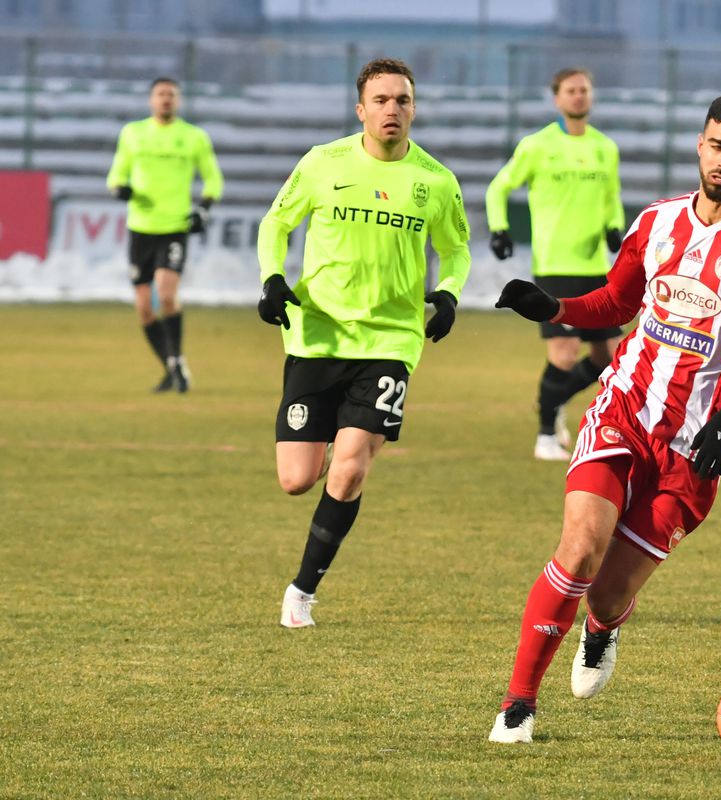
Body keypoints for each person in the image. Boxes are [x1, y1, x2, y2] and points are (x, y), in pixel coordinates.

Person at [488, 95, 721, 743]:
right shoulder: (657, 223)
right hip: (623, 411)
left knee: (608, 593)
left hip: (695, 447)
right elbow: (616, 300)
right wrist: (550, 305)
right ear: (700, 145)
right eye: (716, 145)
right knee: (580, 547)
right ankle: (518, 706)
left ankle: (603, 628)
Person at [255, 57, 470, 628]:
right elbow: (276, 223)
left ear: (414, 108)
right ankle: (336, 440)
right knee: (297, 480)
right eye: (381, 100)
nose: (391, 109)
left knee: (348, 472)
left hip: (390, 341)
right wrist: (272, 278)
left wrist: (447, 294)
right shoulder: (323, 163)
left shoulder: (435, 181)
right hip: (318, 335)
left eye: (401, 100)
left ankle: (303, 589)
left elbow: (457, 250)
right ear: (361, 110)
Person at [485, 67, 625, 461]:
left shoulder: (605, 148)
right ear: (557, 99)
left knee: (608, 359)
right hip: (555, 267)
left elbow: (612, 196)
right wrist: (500, 229)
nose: (579, 96)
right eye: (571, 90)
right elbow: (499, 187)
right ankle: (546, 434)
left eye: (584, 89)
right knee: (563, 354)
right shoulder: (537, 145)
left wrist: (615, 226)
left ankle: (553, 400)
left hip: (595, 268)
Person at [106, 76, 224, 393]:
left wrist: (204, 207)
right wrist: (120, 189)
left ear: (178, 100)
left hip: (174, 226)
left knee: (166, 293)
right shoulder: (133, 134)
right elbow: (116, 173)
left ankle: (176, 366)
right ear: (151, 100)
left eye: (171, 94)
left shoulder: (193, 137)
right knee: (144, 307)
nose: (166, 99)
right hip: (141, 227)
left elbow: (213, 178)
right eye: (160, 94)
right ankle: (174, 364)